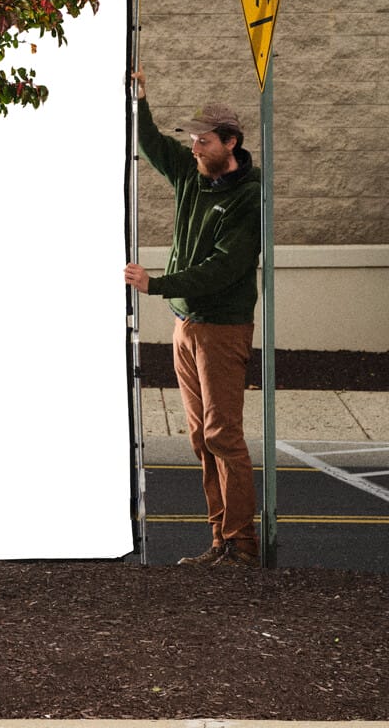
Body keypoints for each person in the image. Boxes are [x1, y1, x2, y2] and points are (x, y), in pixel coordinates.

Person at [124, 64, 262, 567]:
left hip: (222, 327)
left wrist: (158, 284)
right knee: (201, 437)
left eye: (204, 141)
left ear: (230, 143)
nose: (195, 148)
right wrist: (139, 98)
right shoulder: (190, 173)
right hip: (186, 325)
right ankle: (219, 540)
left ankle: (242, 544)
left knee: (223, 435)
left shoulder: (248, 197)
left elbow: (223, 268)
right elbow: (150, 143)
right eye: (192, 140)